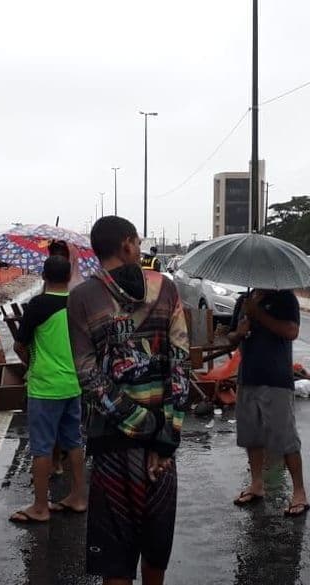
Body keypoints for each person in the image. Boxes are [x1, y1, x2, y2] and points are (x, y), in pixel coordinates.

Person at [68, 216, 190, 585]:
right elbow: (181, 364)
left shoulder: (82, 298)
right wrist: (165, 433)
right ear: (126, 245)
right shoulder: (165, 289)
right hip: (161, 449)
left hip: (112, 445)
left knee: (116, 562)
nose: (138, 248)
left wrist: (140, 425)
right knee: (155, 553)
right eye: (136, 242)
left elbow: (88, 377)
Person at [10, 255, 87, 523]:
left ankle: (40, 507)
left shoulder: (38, 305)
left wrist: (30, 364)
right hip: (73, 384)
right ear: (68, 277)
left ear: (43, 276)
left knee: (42, 448)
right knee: (74, 442)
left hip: (44, 387)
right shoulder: (78, 304)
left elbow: (20, 345)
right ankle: (78, 496)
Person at [228, 286, 309, 517]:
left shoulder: (285, 298)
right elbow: (231, 338)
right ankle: (256, 484)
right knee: (251, 435)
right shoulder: (243, 300)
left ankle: (299, 492)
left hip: (276, 379)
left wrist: (258, 314)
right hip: (248, 377)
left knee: (285, 438)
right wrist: (240, 332)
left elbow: (292, 331)